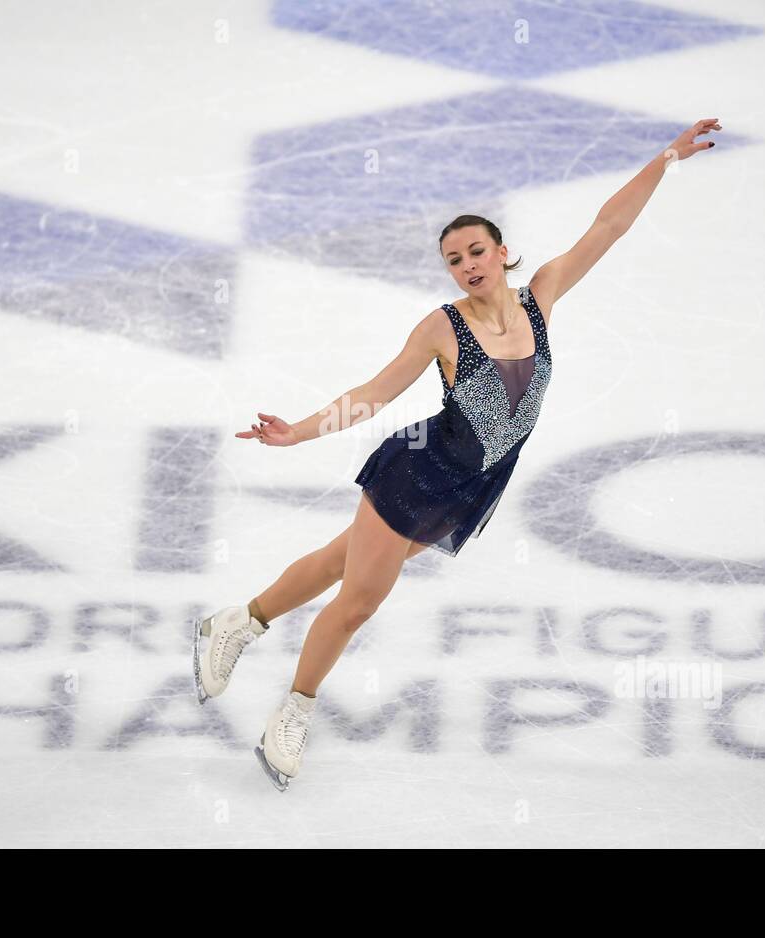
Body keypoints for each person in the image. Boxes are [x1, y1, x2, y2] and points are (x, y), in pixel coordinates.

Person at [195, 118, 722, 790]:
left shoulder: (542, 299)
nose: (467, 265)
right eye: (454, 259)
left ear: (503, 252)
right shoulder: (443, 327)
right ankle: (294, 709)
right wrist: (296, 431)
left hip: (473, 487)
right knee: (358, 601)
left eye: (476, 251)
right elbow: (375, 394)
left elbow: (608, 226)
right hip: (417, 473)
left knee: (339, 560)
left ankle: (239, 621)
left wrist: (666, 159)